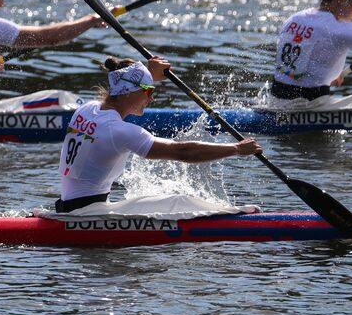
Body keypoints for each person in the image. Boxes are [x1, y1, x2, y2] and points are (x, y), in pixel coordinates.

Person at [57, 56, 263, 213]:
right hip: (88, 214)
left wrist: (146, 75)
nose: (152, 99)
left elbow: (127, 84)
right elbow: (182, 151)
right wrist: (236, 149)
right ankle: (234, 216)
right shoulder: (119, 131)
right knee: (179, 202)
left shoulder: (87, 109)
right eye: (148, 92)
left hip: (70, 206)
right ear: (128, 92)